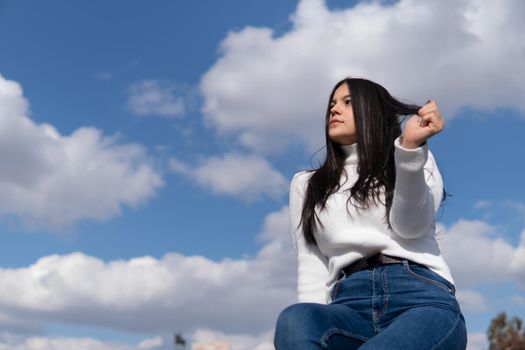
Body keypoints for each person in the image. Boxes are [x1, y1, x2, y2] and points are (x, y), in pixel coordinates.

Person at [274, 77, 467, 349]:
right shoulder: (306, 184)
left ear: (373, 111)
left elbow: (411, 227)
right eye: (331, 105)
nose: (334, 110)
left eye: (347, 102)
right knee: (296, 319)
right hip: (347, 305)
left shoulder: (410, 155)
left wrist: (410, 151)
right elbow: (311, 263)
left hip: (419, 297)